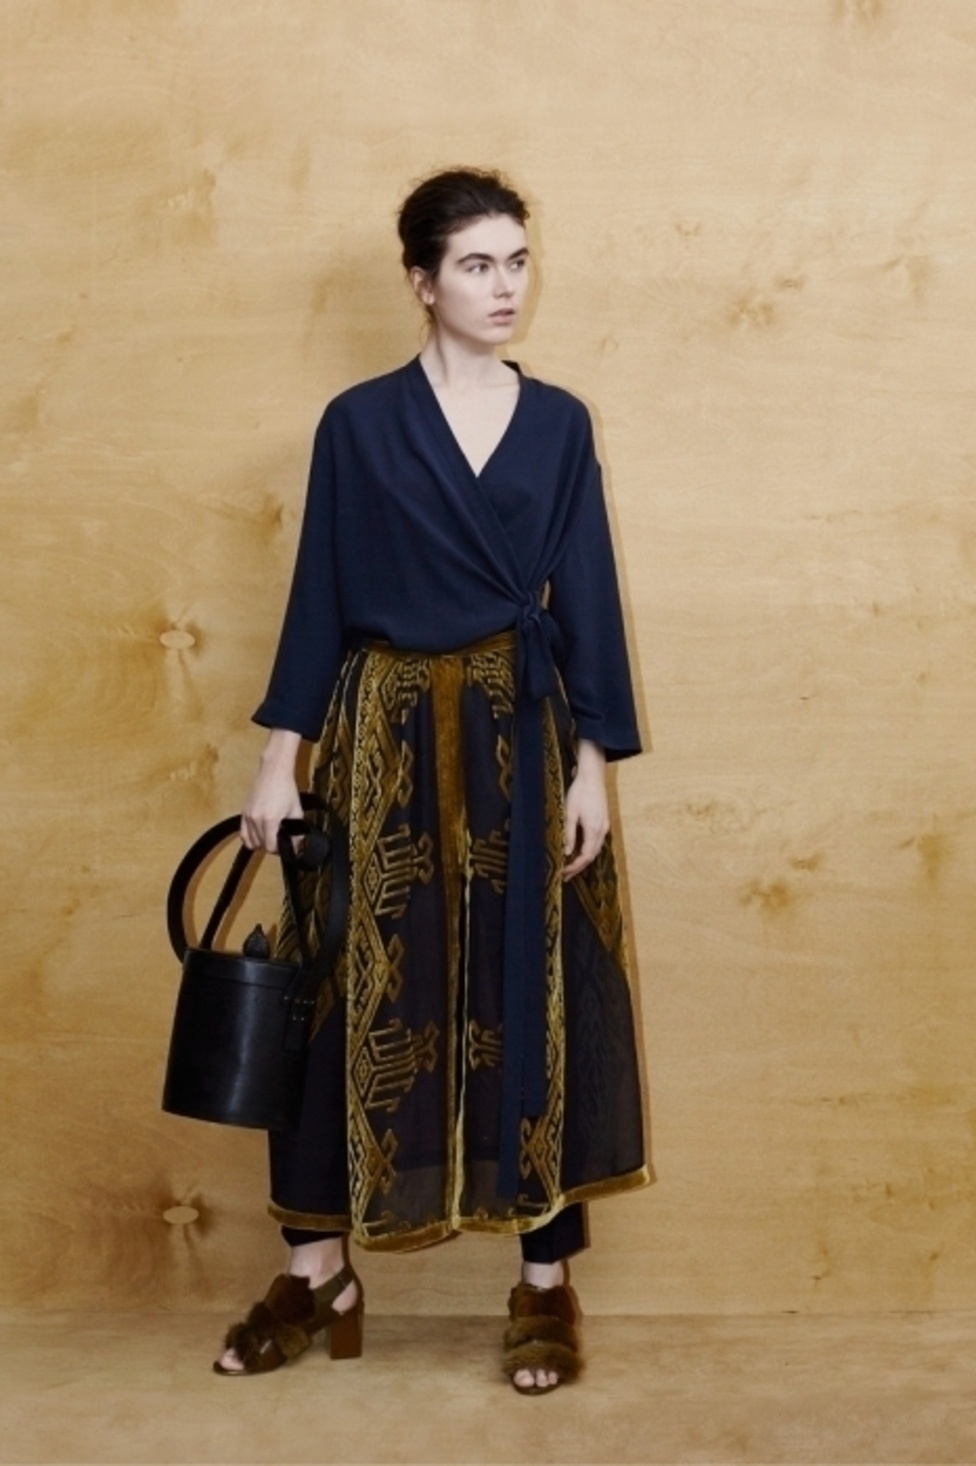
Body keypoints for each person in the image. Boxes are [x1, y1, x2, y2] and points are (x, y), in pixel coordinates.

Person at [214, 168, 650, 1395]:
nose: (504, 286)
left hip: (519, 732)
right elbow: (317, 595)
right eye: (475, 264)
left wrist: (593, 765)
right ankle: (317, 1271)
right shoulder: (357, 424)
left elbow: (586, 595)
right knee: (342, 991)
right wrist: (279, 761)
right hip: (383, 737)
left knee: (533, 989)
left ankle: (544, 1282)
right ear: (421, 281)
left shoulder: (558, 424)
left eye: (516, 261)